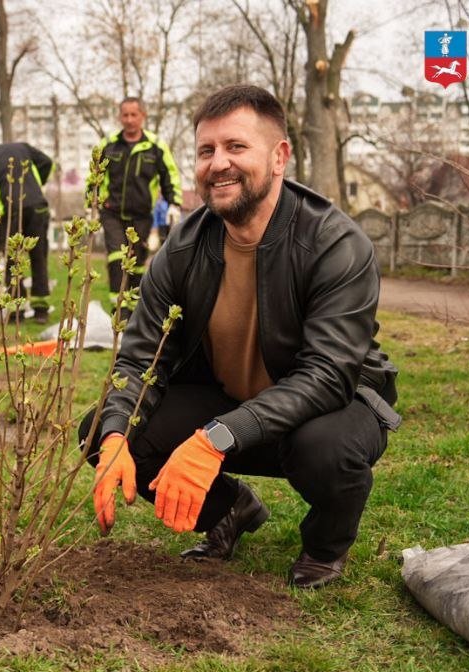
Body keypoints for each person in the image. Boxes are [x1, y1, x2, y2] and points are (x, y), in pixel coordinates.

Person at [83, 85, 401, 589]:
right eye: (206, 151)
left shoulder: (334, 244)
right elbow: (142, 358)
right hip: (232, 401)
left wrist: (214, 439)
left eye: (236, 147)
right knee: (103, 428)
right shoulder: (182, 248)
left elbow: (326, 376)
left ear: (279, 157)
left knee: (326, 448)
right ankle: (231, 512)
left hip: (327, 409)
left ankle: (325, 545)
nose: (218, 163)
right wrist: (117, 433)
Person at [97, 98, 182, 309]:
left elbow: (169, 175)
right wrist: (91, 201)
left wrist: (174, 203)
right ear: (119, 117)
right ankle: (119, 311)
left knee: (135, 264)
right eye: (125, 115)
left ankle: (134, 313)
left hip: (142, 215)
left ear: (143, 116)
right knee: (117, 258)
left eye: (134, 115)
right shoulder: (108, 145)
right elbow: (94, 175)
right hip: (112, 212)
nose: (129, 120)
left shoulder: (155, 146)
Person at [0, 135, 55, 322]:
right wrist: (36, 186)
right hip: (38, 206)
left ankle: (18, 311)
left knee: (13, 260)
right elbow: (47, 162)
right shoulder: (22, 147)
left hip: (12, 212)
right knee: (38, 256)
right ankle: (41, 310)